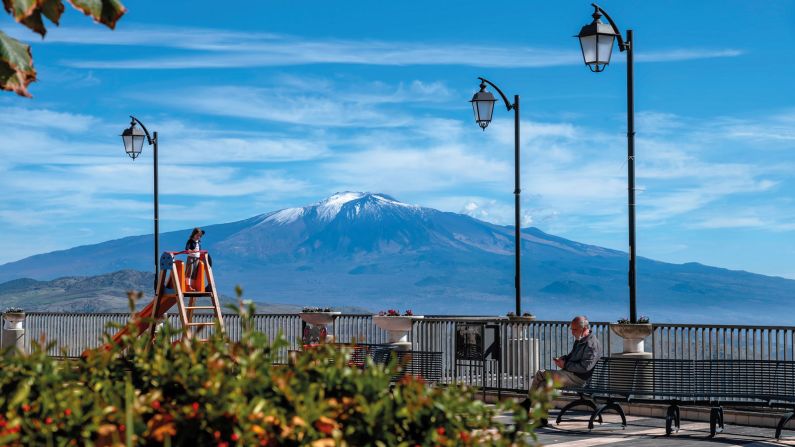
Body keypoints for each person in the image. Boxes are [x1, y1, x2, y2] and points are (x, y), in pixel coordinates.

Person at [521, 315, 602, 424]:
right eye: (571, 329)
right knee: (544, 384)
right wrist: (563, 359)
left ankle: (527, 403)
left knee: (541, 373)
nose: (572, 332)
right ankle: (542, 419)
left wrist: (565, 365)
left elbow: (585, 367)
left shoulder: (591, 344)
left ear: (584, 329)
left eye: (575, 329)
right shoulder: (580, 340)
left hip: (579, 379)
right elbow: (572, 356)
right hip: (570, 374)